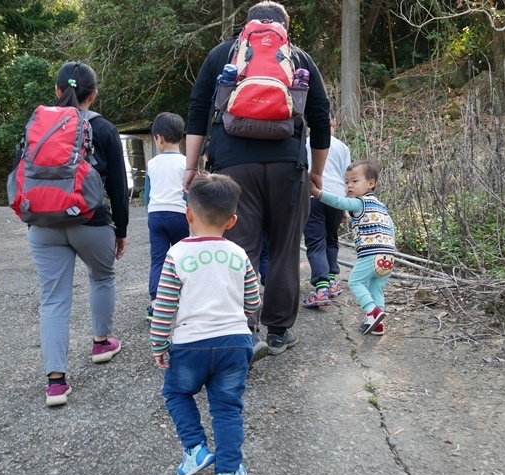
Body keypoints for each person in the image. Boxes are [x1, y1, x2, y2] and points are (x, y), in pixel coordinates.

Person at [183, 0, 331, 362]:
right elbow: (321, 118)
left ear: (246, 26)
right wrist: (317, 174)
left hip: (232, 166)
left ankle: (245, 332)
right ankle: (278, 333)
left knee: (240, 249)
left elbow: (198, 110)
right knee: (284, 249)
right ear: (285, 28)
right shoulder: (298, 58)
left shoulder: (223, 54)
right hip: (288, 167)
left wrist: (190, 167)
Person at [25, 61, 128, 406]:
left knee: (53, 299)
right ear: (94, 94)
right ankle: (101, 343)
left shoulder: (39, 124)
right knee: (102, 277)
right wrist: (122, 231)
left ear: (57, 91)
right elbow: (118, 185)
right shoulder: (104, 128)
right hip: (90, 221)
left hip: (43, 222)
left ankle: (56, 383)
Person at [150, 174, 260, 475]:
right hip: (235, 343)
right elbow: (252, 302)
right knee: (227, 407)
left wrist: (159, 344)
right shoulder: (238, 254)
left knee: (176, 394)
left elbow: (164, 307)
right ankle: (227, 473)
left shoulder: (177, 255)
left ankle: (196, 448)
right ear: (233, 220)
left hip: (190, 345)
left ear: (188, 215)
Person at [308, 159, 395, 335]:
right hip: (388, 256)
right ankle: (378, 324)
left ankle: (373, 311)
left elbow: (340, 203)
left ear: (371, 184)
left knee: (355, 282)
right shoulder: (381, 206)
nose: (349, 186)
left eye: (355, 181)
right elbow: (391, 227)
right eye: (346, 182)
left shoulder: (360, 202)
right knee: (376, 287)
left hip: (371, 255)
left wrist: (318, 193)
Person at [144, 112, 190, 320]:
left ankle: (156, 303)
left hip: (156, 215)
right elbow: (190, 193)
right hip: (179, 215)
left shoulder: (152, 163)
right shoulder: (186, 163)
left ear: (159, 138)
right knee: (183, 257)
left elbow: (147, 194)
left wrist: (150, 210)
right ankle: (186, 298)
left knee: (158, 259)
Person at [302, 116, 352, 308]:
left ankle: (321, 288)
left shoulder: (306, 144)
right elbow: (347, 177)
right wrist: (346, 207)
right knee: (332, 239)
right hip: (337, 198)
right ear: (334, 122)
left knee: (315, 242)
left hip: (314, 197)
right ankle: (331, 281)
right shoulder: (342, 147)